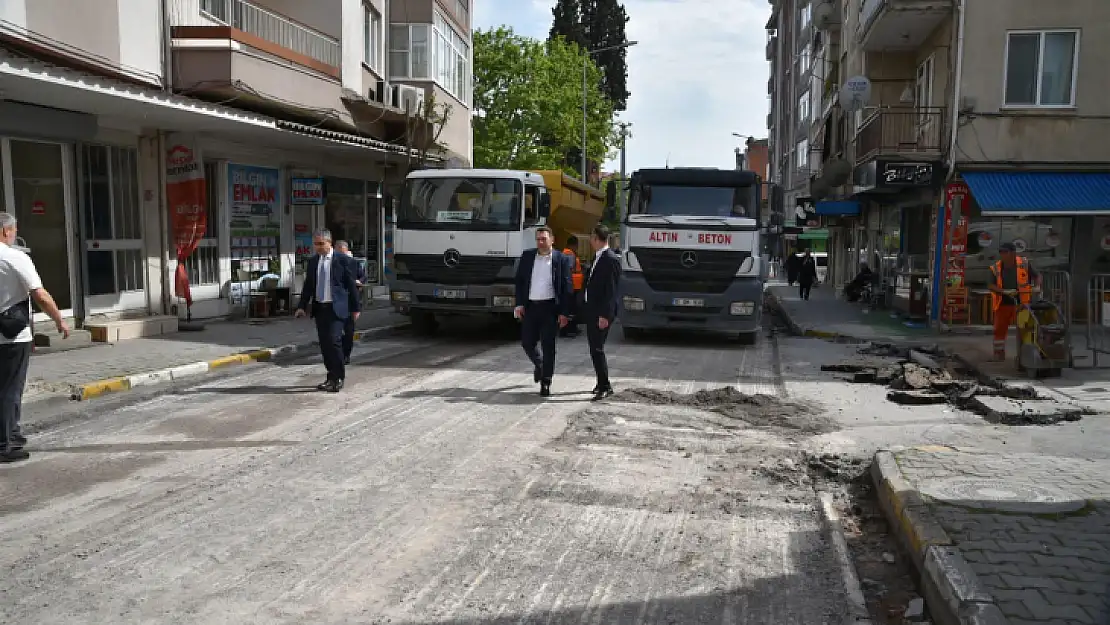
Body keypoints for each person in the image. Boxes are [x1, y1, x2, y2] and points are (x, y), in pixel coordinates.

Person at [0, 212, 69, 463]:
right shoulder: (14, 257)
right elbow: (40, 295)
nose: (15, 234)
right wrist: (59, 319)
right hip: (12, 336)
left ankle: (13, 433)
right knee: (10, 389)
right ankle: (4, 445)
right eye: (14, 230)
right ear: (6, 232)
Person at [295, 229, 361, 392]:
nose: (318, 247)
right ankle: (330, 376)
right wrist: (302, 306)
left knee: (334, 342)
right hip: (320, 308)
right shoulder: (313, 262)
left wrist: (355, 308)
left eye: (321, 244)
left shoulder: (342, 260)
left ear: (329, 242)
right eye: (315, 244)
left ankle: (339, 377)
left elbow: (351, 286)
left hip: (336, 308)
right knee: (325, 345)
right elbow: (308, 286)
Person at [514, 226, 574, 397]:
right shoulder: (527, 257)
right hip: (531, 307)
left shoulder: (561, 259)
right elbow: (519, 282)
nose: (540, 242)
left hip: (550, 309)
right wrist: (519, 304)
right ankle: (540, 365)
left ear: (552, 240)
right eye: (538, 239)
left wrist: (564, 312)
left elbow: (566, 288)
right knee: (527, 342)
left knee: (549, 346)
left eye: (544, 239)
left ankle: (546, 382)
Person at [582, 225, 621, 401]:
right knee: (594, 348)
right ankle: (600, 381)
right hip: (592, 310)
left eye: (592, 237)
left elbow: (611, 291)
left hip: (601, 313)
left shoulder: (610, 259)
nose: (590, 241)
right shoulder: (598, 257)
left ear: (598, 239)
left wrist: (605, 315)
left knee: (597, 349)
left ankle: (605, 386)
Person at [988, 242, 1041, 361]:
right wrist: (1004, 291)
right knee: (999, 329)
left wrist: (1037, 286)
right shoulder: (995, 267)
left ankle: (1025, 354)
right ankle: (998, 353)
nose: (1002, 255)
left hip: (1022, 303)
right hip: (1003, 303)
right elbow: (991, 285)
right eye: (1000, 252)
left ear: (1013, 253)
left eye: (1005, 252)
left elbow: (1037, 276)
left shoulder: (1024, 264)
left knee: (1025, 328)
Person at [335, 240, 366, 365]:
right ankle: (337, 355)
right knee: (335, 332)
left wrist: (359, 281)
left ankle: (346, 355)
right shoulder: (331, 264)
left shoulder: (354, 264)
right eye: (339, 253)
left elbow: (363, 276)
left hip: (349, 302)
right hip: (335, 303)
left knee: (348, 332)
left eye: (343, 253)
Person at [559, 235, 585, 339]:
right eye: (576, 245)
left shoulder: (567, 253)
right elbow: (568, 271)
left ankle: (571, 329)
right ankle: (568, 330)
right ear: (573, 245)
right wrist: (569, 287)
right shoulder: (569, 254)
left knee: (571, 309)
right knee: (570, 310)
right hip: (572, 286)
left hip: (573, 286)